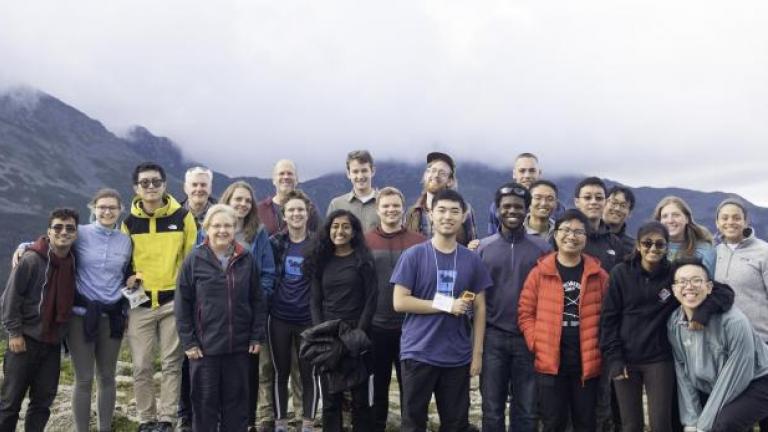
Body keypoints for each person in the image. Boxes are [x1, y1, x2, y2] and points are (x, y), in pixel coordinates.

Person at [600, 222, 734, 432]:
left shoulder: (675, 273)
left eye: (660, 244)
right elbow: (609, 319)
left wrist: (703, 313)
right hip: (625, 358)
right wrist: (614, 358)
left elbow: (723, 292)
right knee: (630, 424)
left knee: (661, 422)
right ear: (637, 245)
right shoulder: (620, 273)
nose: (653, 248)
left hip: (660, 358)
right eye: (647, 243)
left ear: (666, 247)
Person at [392, 189, 491, 432]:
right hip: (418, 352)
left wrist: (477, 353)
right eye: (442, 210)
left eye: (454, 211)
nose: (448, 216)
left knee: (456, 424)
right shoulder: (413, 255)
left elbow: (480, 307)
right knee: (413, 423)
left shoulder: (472, 259)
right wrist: (447, 305)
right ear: (431, 214)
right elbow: (400, 302)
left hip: (457, 355)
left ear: (464, 216)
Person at [175, 204, 266, 432]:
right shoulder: (194, 260)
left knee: (236, 407)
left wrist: (256, 336)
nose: (222, 230)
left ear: (235, 228)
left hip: (239, 348)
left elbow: (257, 299)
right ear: (206, 229)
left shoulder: (246, 259)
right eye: (216, 225)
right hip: (205, 350)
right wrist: (189, 342)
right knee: (204, 406)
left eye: (227, 225)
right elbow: (182, 304)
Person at [121, 162, 197, 432]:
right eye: (145, 183)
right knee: (141, 365)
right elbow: (123, 261)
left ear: (165, 185)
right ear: (136, 188)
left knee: (171, 364)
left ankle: (167, 419)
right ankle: (146, 419)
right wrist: (128, 276)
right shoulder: (129, 222)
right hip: (140, 303)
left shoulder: (182, 217)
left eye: (156, 182)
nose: (150, 187)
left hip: (172, 301)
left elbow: (190, 260)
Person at [518, 209, 609, 432]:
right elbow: (525, 312)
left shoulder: (598, 274)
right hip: (550, 360)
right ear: (555, 234)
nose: (571, 236)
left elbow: (609, 316)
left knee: (586, 422)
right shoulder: (540, 272)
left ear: (586, 238)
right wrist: (536, 342)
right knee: (552, 422)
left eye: (578, 231)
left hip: (587, 361)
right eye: (565, 230)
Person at [477, 183, 551, 432]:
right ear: (497, 210)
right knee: (492, 409)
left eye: (518, 207)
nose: (512, 211)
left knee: (527, 410)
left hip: (529, 339)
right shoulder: (483, 248)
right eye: (506, 206)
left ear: (527, 210)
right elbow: (474, 296)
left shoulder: (542, 249)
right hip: (492, 338)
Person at [0, 208, 80, 432]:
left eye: (70, 228)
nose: (64, 232)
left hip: (52, 343)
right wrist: (14, 333)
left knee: (42, 403)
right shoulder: (31, 259)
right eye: (58, 227)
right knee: (10, 402)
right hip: (25, 340)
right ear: (49, 232)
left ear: (76, 233)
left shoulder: (74, 261)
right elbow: (10, 298)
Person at [668, 258, 768, 432]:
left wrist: (703, 425)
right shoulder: (674, 323)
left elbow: (737, 374)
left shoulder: (733, 321)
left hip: (757, 379)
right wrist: (691, 422)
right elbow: (682, 372)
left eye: (696, 280)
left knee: (723, 424)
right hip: (715, 384)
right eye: (682, 282)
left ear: (709, 287)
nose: (689, 286)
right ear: (674, 289)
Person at [304, 210, 377, 431]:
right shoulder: (321, 260)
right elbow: (315, 302)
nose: (340, 231)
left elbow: (371, 299)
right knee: (331, 400)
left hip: (357, 335)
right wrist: (321, 335)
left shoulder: (363, 259)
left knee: (361, 399)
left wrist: (358, 336)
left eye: (346, 226)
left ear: (354, 231)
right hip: (329, 337)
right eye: (335, 226)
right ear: (328, 230)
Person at [364, 187, 426, 431]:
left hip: (410, 327)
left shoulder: (419, 242)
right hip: (376, 326)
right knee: (378, 386)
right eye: (386, 206)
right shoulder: (365, 242)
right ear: (378, 209)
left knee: (410, 387)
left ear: (403, 208)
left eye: (395, 205)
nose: (391, 210)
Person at [219, 180, 279, 431]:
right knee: (220, 367)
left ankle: (248, 421)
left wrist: (258, 299)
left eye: (247, 200)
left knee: (249, 367)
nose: (242, 204)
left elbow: (268, 272)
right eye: (237, 199)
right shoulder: (212, 228)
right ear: (227, 200)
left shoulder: (259, 232)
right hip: (217, 313)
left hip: (249, 311)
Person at [268, 190, 319, 432]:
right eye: (291, 210)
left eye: (300, 209)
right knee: (281, 371)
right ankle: (280, 422)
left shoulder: (318, 244)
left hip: (308, 318)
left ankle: (308, 422)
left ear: (307, 214)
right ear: (284, 215)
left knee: (309, 373)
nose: (296, 214)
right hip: (279, 317)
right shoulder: (275, 243)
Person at [177, 166, 215, 430]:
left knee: (211, 361)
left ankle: (210, 415)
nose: (199, 189)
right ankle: (185, 414)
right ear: (185, 187)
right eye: (195, 185)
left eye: (204, 185)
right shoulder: (174, 215)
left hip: (215, 301)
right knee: (183, 359)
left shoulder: (221, 215)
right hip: (182, 295)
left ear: (210, 188)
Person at [405, 152, 478, 246]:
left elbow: (472, 245)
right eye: (432, 170)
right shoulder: (412, 212)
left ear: (450, 181)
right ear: (425, 175)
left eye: (442, 173)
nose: (435, 175)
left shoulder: (464, 209)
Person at [487, 153, 565, 234]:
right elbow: (492, 239)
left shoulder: (557, 208)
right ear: (514, 174)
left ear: (539, 173)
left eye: (532, 171)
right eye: (522, 171)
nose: (527, 175)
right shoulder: (498, 206)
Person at [573, 177, 626, 273]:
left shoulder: (614, 243)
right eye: (587, 198)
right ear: (577, 202)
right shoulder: (564, 236)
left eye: (599, 198)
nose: (593, 202)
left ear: (605, 202)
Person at [653, 196, 716, 276]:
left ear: (687, 219)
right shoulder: (650, 249)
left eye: (676, 215)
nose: (670, 220)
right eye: (665, 216)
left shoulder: (705, 251)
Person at [257, 159, 321, 236]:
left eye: (290, 173)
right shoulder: (259, 210)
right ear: (273, 180)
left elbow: (320, 239)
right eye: (281, 173)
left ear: (297, 180)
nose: (286, 177)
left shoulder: (310, 209)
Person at [326, 150, 380, 231]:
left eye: (364, 170)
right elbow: (328, 235)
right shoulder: (336, 205)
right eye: (355, 171)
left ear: (372, 171)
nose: (360, 176)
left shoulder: (386, 204)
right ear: (348, 174)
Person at [602, 186, 636, 253]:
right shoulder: (588, 237)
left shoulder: (633, 247)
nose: (617, 209)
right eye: (614, 203)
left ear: (629, 213)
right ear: (603, 204)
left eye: (623, 206)